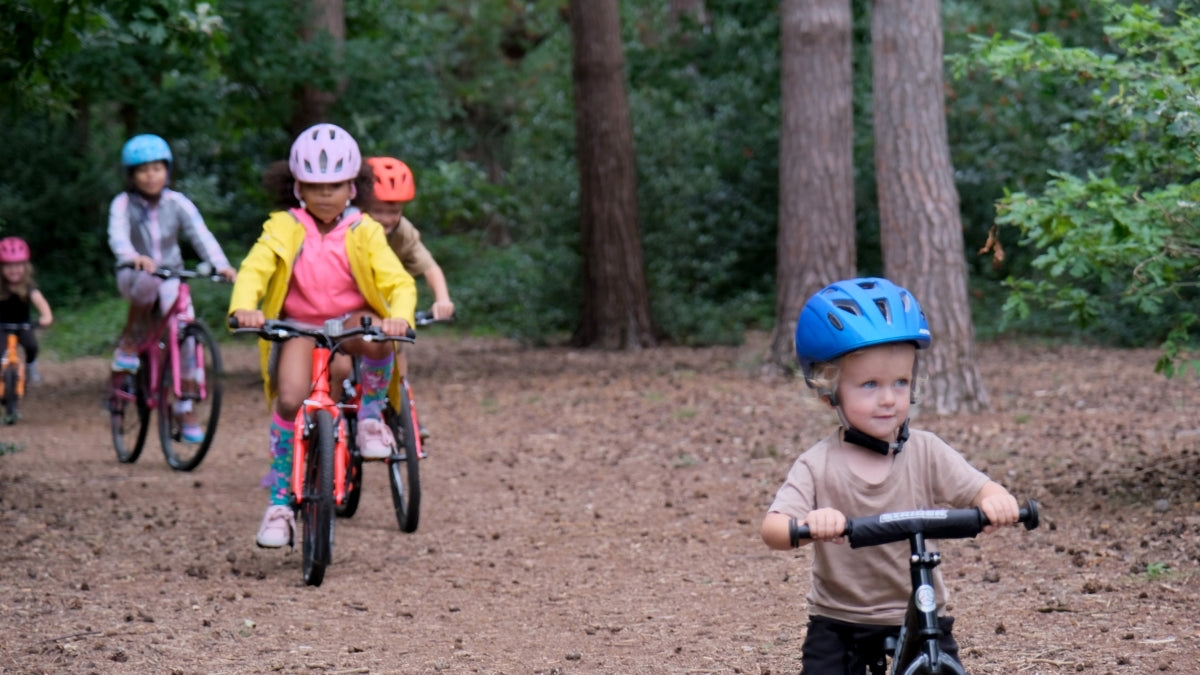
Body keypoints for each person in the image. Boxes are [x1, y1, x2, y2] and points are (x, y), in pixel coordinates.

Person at [760, 277, 1019, 674]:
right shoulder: (817, 464)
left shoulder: (928, 451)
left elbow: (980, 487)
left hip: (919, 616)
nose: (888, 398)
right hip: (840, 620)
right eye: (869, 385)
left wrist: (995, 500)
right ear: (829, 391)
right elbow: (774, 529)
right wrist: (810, 524)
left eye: (901, 381)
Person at [229, 123, 417, 549]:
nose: (325, 194)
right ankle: (280, 502)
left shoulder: (364, 229)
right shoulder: (283, 226)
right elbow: (255, 268)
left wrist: (399, 317)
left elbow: (397, 282)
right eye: (315, 185)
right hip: (298, 327)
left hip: (350, 321)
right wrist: (244, 306)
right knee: (291, 398)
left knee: (376, 339)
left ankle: (369, 417)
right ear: (297, 186)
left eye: (334, 184)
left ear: (352, 187)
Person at [107, 134, 238, 441]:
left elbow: (200, 234)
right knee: (148, 282)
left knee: (187, 334)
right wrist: (133, 257)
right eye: (143, 170)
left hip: (171, 275)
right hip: (133, 274)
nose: (151, 176)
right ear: (131, 175)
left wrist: (221, 264)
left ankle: (185, 408)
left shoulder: (177, 202)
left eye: (157, 168)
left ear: (167, 170)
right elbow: (117, 236)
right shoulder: (123, 204)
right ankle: (129, 341)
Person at [363, 156, 455, 439]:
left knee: (396, 345)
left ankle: (399, 407)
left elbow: (429, 267)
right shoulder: (349, 229)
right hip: (349, 300)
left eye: (395, 211)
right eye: (378, 210)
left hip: (387, 303)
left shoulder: (403, 233)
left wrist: (442, 299)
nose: (387, 219)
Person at [0, 237, 53, 386]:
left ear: (26, 266)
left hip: (24, 326)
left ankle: (31, 366)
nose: (14, 270)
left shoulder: (29, 286)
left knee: (31, 346)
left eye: (18, 265)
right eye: (8, 266)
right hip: (2, 326)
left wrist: (46, 317)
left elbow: (41, 303)